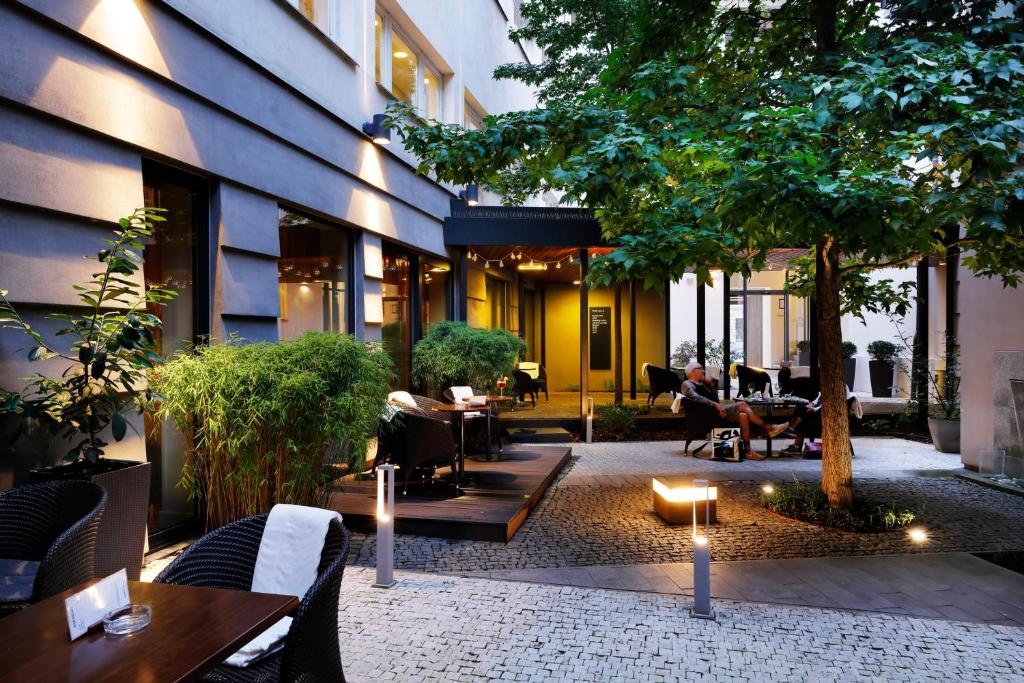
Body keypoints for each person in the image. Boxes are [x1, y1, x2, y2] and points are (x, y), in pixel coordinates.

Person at [678, 360, 789, 460]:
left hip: (715, 412)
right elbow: (695, 397)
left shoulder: (702, 384)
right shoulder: (687, 384)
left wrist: (710, 384)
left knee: (743, 416)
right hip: (706, 416)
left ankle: (748, 451)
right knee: (742, 404)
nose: (703, 371)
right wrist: (716, 405)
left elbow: (714, 397)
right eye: (701, 369)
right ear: (693, 371)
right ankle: (769, 428)